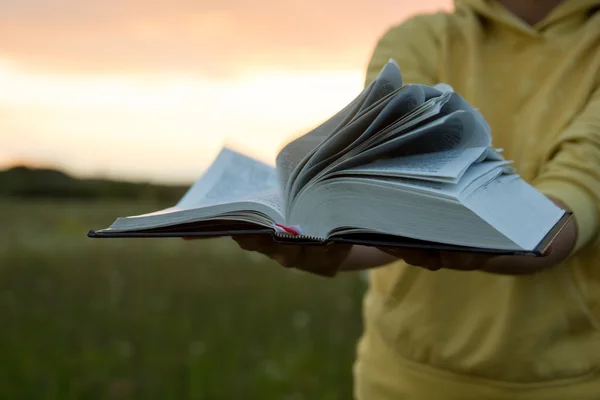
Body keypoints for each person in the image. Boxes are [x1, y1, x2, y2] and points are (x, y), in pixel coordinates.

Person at [228, 0, 600, 398]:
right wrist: (322, 243)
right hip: (396, 380)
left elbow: (568, 208)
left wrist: (465, 234)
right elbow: (395, 208)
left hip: (565, 385)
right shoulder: (417, 39)